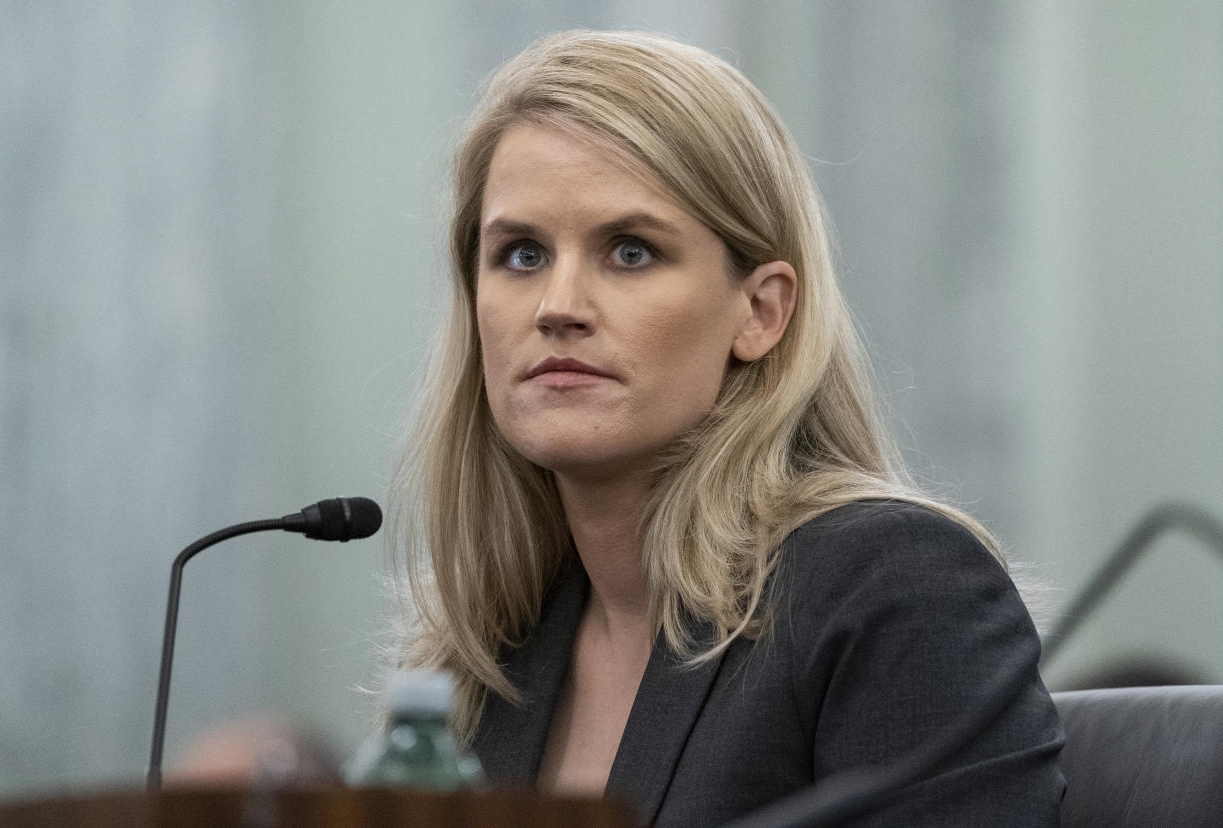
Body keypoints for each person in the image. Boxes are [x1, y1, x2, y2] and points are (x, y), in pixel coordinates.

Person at [389, 29, 1064, 826]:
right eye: (522, 254)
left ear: (762, 310)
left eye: (631, 252)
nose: (558, 306)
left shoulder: (895, 587)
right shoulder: (490, 647)